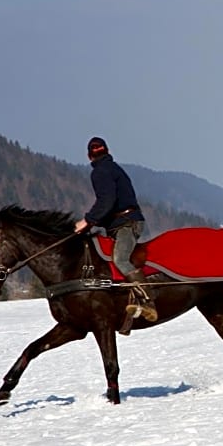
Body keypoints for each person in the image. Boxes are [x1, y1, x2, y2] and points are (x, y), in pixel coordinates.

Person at [73, 137, 157, 324]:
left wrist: (87, 221)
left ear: (89, 156)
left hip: (126, 223)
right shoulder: (113, 168)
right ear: (107, 151)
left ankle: (148, 301)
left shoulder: (100, 172)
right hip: (125, 221)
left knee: (120, 259)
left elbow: (106, 201)